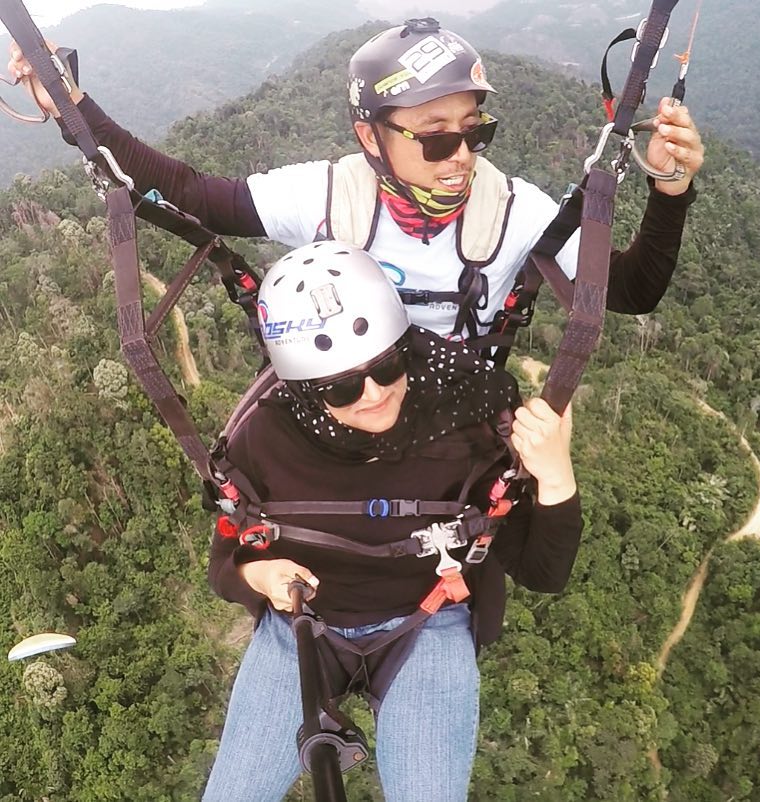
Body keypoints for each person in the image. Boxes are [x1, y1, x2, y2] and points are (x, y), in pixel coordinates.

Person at [8, 17, 703, 347]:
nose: (460, 154)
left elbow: (631, 291)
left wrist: (669, 192)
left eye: (474, 130)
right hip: (341, 407)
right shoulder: (333, 196)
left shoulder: (514, 212)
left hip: (452, 427)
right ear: (369, 136)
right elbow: (189, 195)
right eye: (434, 136)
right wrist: (74, 107)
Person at [201, 240, 580, 801]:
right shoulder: (264, 438)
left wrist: (556, 475)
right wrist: (258, 576)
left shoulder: (467, 416)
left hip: (427, 621)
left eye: (387, 366)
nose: (375, 396)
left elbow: (543, 572)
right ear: (307, 391)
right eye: (342, 387)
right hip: (304, 625)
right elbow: (226, 564)